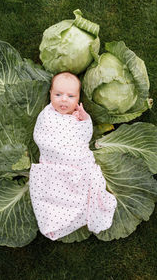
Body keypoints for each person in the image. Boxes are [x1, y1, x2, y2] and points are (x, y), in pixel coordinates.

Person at [29, 72, 117, 240]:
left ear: (78, 98)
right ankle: (59, 215)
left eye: (71, 96)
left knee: (81, 185)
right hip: (53, 166)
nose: (64, 100)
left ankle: (77, 208)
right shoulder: (47, 116)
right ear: (50, 95)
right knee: (52, 193)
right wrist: (57, 150)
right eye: (58, 95)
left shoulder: (79, 117)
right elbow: (41, 137)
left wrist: (84, 121)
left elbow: (85, 137)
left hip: (77, 163)